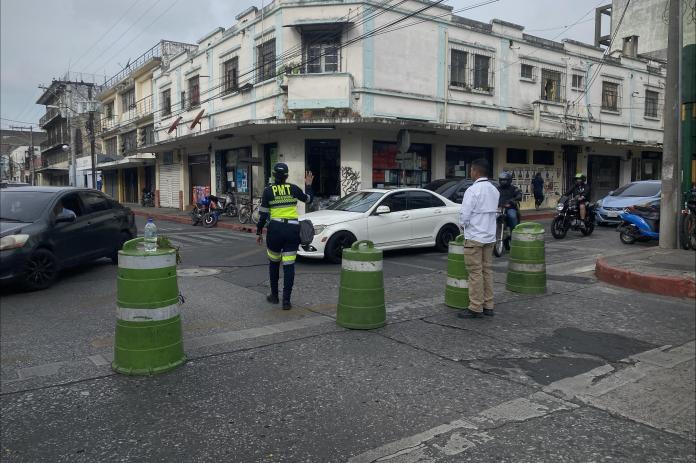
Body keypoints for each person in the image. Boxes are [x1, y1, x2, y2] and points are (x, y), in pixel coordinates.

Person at [256, 163, 314, 310]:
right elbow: (309, 199)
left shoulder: (268, 191)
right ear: (287, 176)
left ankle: (274, 296)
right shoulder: (293, 188)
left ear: (274, 176)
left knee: (274, 263)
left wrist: (258, 232)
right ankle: (286, 302)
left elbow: (262, 215)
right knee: (289, 266)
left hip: (275, 230)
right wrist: (308, 185)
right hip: (292, 230)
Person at [458, 158, 500, 319]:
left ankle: (475, 307)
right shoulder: (494, 190)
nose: (470, 173)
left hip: (474, 237)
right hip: (489, 236)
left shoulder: (472, 190)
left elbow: (464, 214)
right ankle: (488, 305)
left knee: (475, 273)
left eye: (471, 170)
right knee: (487, 271)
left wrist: (462, 225)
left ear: (475, 171)